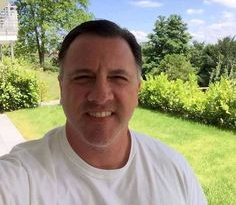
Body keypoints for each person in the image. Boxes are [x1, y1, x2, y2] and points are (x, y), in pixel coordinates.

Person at [0, 19, 207, 204]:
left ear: (137, 91)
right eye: (83, 77)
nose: (100, 96)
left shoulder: (173, 169)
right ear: (62, 88)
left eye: (118, 78)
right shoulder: (21, 176)